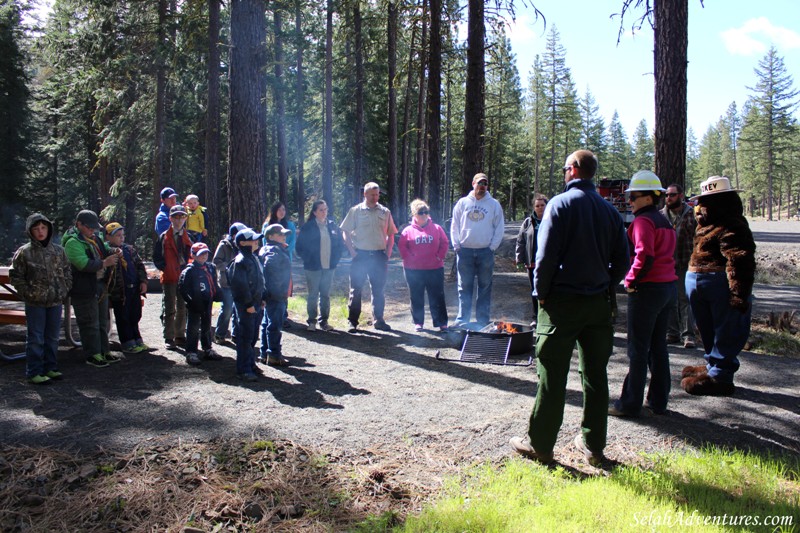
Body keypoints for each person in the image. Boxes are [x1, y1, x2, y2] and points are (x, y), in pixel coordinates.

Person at [509, 150, 628, 467]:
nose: (564, 172)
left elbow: (545, 256)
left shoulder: (559, 204)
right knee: (595, 376)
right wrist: (605, 283)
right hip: (598, 306)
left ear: (574, 170)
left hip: (561, 304)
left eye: (565, 168)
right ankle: (594, 445)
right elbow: (624, 262)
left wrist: (541, 293)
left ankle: (541, 445)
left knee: (551, 374)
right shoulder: (610, 211)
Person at [609, 171, 677, 417]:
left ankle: (629, 404)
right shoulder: (664, 222)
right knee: (658, 347)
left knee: (637, 350)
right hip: (667, 288)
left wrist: (630, 280)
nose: (630, 201)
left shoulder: (643, 222)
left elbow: (644, 254)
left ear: (649, 197)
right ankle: (658, 402)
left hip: (647, 290)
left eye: (634, 197)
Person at [681, 176, 756, 396]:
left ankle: (719, 372)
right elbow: (738, 258)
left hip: (709, 280)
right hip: (707, 279)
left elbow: (739, 258)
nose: (700, 208)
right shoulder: (717, 224)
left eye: (706, 202)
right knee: (714, 326)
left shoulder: (728, 224)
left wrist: (738, 293)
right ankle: (715, 367)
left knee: (721, 326)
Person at [9, 213, 72, 384]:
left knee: (52, 337)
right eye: (36, 229)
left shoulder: (59, 251)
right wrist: (27, 293)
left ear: (49, 229)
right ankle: (34, 371)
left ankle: (50, 367)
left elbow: (67, 271)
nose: (40, 232)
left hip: (55, 301)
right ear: (30, 231)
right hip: (35, 302)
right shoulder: (24, 252)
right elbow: (16, 276)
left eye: (43, 228)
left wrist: (64, 289)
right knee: (36, 337)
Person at [62, 210, 122, 368]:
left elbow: (103, 250)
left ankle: (104, 351)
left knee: (103, 321)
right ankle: (92, 354)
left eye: (94, 228)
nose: (92, 231)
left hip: (100, 285)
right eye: (89, 228)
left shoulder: (95, 238)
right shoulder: (72, 243)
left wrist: (113, 251)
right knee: (89, 322)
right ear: (79, 225)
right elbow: (83, 264)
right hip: (83, 288)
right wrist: (105, 263)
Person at [340, 182, 398, 332]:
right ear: (365, 194)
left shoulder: (385, 212)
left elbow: (391, 234)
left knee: (378, 290)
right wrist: (352, 252)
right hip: (361, 256)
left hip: (379, 256)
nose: (375, 197)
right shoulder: (356, 211)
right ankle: (352, 322)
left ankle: (378, 320)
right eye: (372, 194)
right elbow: (345, 231)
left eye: (377, 194)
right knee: (356, 290)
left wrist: (388, 253)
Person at [450, 172, 505, 326]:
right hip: (465, 251)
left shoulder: (493, 204)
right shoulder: (462, 203)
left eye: (485, 184)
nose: (482, 187)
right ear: (473, 183)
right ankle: (462, 320)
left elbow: (499, 227)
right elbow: (455, 225)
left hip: (485, 252)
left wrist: (492, 247)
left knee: (485, 287)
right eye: (479, 183)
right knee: (464, 287)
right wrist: (456, 245)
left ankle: (482, 321)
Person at [397, 199, 449, 332]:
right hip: (413, 270)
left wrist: (439, 256)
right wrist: (409, 259)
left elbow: (444, 243)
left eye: (426, 212)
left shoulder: (437, 228)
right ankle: (418, 322)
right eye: (421, 212)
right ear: (414, 214)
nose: (424, 215)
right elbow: (402, 247)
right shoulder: (407, 230)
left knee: (437, 295)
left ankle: (441, 322)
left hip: (435, 268)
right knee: (416, 296)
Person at [295, 200, 344, 332]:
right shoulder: (308, 227)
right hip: (312, 267)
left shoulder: (333, 226)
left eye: (325, 209)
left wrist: (335, 260)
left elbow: (340, 245)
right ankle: (312, 321)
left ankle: (324, 321)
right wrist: (308, 259)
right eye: (321, 210)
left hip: (329, 267)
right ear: (315, 212)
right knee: (313, 295)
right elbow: (299, 247)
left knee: (325, 295)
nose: (324, 212)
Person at [661, 183, 697, 349]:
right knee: (669, 300)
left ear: (681, 196)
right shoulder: (661, 215)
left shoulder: (691, 215)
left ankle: (688, 335)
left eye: (672, 195)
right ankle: (672, 333)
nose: (668, 198)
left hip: (685, 262)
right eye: (667, 195)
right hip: (666, 264)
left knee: (685, 300)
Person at [105, 223, 149, 355]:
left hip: (134, 288)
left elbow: (140, 266)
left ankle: (137, 338)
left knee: (135, 314)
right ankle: (127, 342)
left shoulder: (130, 249)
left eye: (122, 235)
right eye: (118, 236)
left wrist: (143, 281)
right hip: (119, 292)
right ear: (108, 237)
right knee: (123, 316)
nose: (121, 238)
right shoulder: (107, 251)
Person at [228, 227, 265, 382]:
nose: (257, 242)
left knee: (252, 337)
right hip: (246, 306)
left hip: (256, 304)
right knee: (245, 337)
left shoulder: (253, 258)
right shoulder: (240, 261)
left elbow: (260, 280)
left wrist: (263, 298)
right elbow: (240, 286)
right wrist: (248, 303)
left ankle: (250, 363)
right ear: (243, 243)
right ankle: (243, 368)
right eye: (253, 240)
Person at [153, 204, 193, 349]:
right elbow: (157, 257)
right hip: (169, 277)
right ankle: (169, 337)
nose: (179, 220)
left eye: (182, 217)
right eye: (176, 217)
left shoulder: (190, 237)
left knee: (183, 307)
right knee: (169, 307)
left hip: (184, 278)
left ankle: (180, 335)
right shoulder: (163, 237)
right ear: (170, 218)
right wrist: (165, 267)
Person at [179, 242, 223, 365]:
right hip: (195, 303)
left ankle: (207, 348)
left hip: (207, 301)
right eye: (200, 254)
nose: (204, 256)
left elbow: (214, 282)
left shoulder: (210, 267)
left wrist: (218, 294)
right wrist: (191, 302)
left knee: (207, 326)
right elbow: (183, 288)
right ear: (193, 255)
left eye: (205, 253)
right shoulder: (189, 271)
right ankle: (191, 352)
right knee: (193, 328)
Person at [259, 224, 293, 366]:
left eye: (284, 234)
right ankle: (273, 354)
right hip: (276, 294)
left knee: (267, 323)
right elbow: (269, 266)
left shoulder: (272, 248)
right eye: (280, 234)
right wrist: (277, 288)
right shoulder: (273, 250)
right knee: (275, 325)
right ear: (270, 236)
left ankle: (265, 353)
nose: (283, 236)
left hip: (272, 293)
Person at [262, 201, 297, 328]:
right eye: (279, 210)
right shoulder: (267, 225)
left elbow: (292, 242)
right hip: (271, 258)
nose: (282, 212)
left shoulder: (290, 225)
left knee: (284, 286)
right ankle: (271, 315)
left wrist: (285, 250)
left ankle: (283, 315)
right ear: (274, 211)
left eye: (284, 209)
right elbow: (263, 241)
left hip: (286, 258)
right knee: (272, 286)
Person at [515, 194, 548, 326]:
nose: (540, 208)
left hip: (548, 263)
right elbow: (520, 241)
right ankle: (536, 318)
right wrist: (519, 260)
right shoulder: (528, 222)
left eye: (542, 205)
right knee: (535, 290)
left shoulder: (553, 220)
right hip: (533, 262)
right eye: (537, 205)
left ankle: (548, 318)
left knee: (548, 290)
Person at [212, 222, 247, 343]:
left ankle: (236, 334)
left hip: (239, 283)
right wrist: (229, 268)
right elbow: (216, 261)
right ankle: (220, 334)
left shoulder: (243, 245)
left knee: (238, 309)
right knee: (227, 309)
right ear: (233, 235)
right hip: (226, 282)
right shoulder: (224, 245)